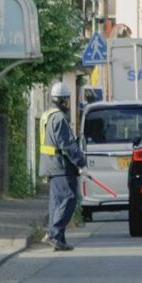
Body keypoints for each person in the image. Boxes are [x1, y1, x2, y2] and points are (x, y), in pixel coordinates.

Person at [43, 82, 83, 252]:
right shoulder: (59, 118)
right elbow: (67, 144)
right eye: (67, 100)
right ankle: (53, 233)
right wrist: (81, 163)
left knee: (57, 202)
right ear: (64, 101)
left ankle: (59, 240)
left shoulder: (48, 115)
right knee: (70, 198)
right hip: (61, 166)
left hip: (51, 165)